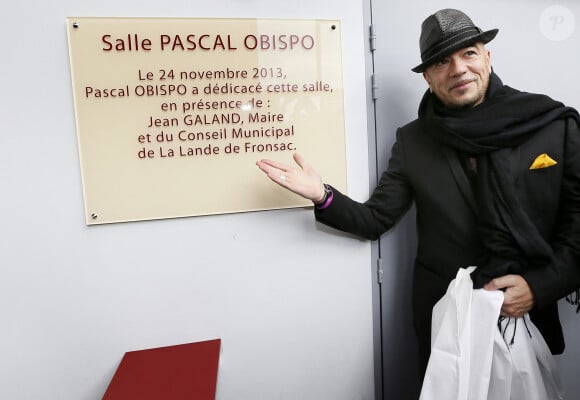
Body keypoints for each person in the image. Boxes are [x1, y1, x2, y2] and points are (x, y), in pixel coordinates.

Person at [256, 8, 580, 378]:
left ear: (487, 57)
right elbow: (375, 219)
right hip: (447, 320)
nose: (458, 69)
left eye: (468, 53)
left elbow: (577, 228)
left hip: (528, 313)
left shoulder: (551, 124)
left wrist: (538, 288)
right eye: (442, 61)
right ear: (428, 77)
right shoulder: (413, 141)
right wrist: (321, 194)